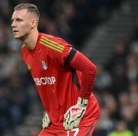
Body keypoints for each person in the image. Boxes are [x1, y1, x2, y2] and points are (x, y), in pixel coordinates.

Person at [11, 3, 100, 136]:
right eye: (12, 20)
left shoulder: (52, 46)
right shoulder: (24, 52)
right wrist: (49, 109)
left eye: (19, 20)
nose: (13, 24)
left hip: (80, 118)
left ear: (33, 22)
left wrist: (81, 104)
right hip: (57, 121)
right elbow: (47, 83)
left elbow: (89, 68)